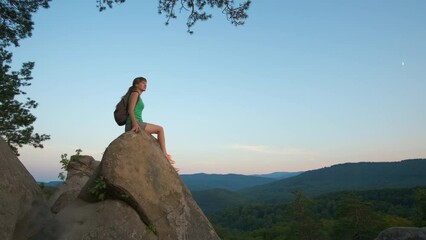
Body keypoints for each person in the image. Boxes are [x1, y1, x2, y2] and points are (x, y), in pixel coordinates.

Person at [125, 77, 178, 171]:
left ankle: (168, 166)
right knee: (160, 129)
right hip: (134, 124)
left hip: (137, 123)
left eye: (146, 83)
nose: (145, 85)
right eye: (142, 83)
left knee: (157, 143)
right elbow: (130, 110)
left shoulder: (137, 95)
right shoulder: (135, 94)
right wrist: (135, 124)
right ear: (136, 85)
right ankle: (165, 155)